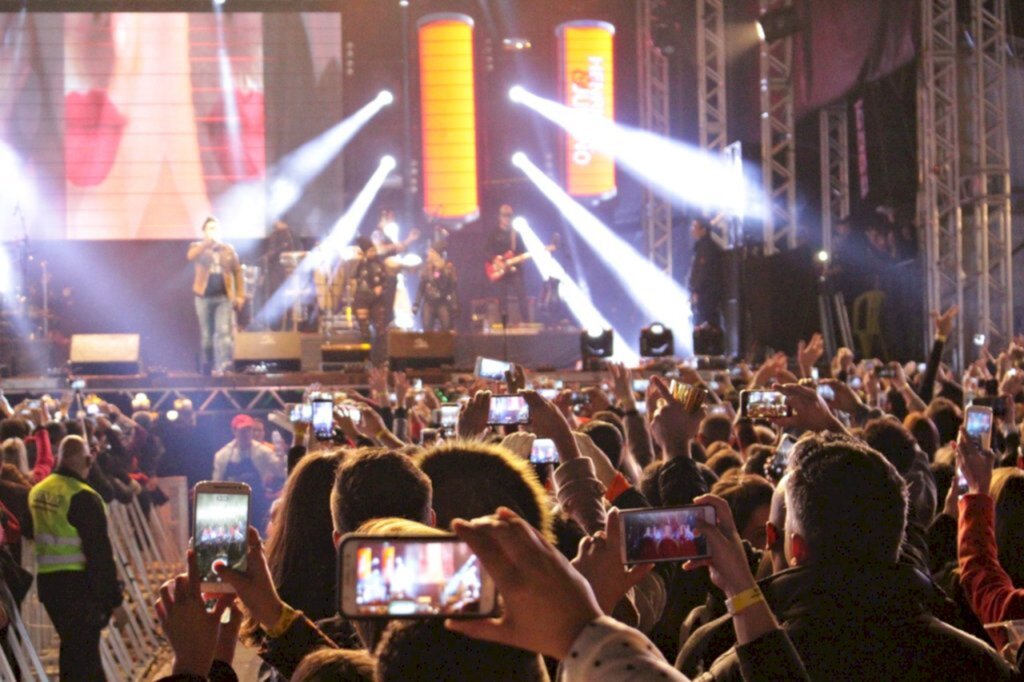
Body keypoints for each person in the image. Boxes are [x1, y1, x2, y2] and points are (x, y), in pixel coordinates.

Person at [29, 435, 122, 681]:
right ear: (87, 459)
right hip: (79, 586)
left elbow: (29, 530)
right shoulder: (83, 496)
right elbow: (100, 553)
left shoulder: (38, 491)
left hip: (49, 585)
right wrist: (114, 598)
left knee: (72, 651)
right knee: (85, 658)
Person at [187, 216, 245, 375]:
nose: (213, 231)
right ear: (204, 232)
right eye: (210, 228)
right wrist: (207, 243)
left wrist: (240, 295)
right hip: (203, 297)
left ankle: (223, 368)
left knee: (224, 333)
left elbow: (237, 272)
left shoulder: (228, 249)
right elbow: (191, 256)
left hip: (224, 298)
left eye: (215, 228)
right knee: (206, 336)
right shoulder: (197, 247)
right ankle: (208, 368)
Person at [211, 414, 284, 528]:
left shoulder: (263, 452)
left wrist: (281, 455)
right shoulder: (223, 455)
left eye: (248, 429)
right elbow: (216, 484)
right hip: (233, 506)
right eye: (242, 430)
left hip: (258, 503)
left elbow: (281, 472)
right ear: (234, 431)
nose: (246, 434)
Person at [487, 204, 530, 324]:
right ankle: (504, 324)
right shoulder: (493, 233)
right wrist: (495, 260)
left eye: (509, 216)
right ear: (499, 217)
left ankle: (526, 322)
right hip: (499, 270)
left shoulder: (515, 233)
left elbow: (522, 250)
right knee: (502, 298)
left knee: (521, 295)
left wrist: (522, 258)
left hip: (514, 269)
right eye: (504, 216)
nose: (507, 218)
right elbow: (486, 250)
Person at [687, 217, 724, 329]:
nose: (692, 230)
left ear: (703, 230)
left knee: (705, 324)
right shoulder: (701, 247)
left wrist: (696, 289)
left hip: (706, 295)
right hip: (705, 294)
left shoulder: (706, 248)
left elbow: (702, 272)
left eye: (695, 227)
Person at [414, 247, 458, 332]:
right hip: (429, 302)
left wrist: (454, 305)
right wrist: (416, 303)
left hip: (442, 301)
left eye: (431, 252)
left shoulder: (446, 268)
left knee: (446, 327)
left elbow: (451, 288)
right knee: (427, 328)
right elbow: (421, 288)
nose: (428, 254)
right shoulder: (425, 269)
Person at [352, 236, 387, 342]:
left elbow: (386, 281)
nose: (374, 253)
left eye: (374, 250)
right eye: (371, 251)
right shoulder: (359, 264)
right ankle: (365, 356)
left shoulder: (379, 264)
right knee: (364, 329)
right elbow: (353, 277)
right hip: (361, 298)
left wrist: (381, 287)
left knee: (380, 328)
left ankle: (380, 355)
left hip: (376, 299)